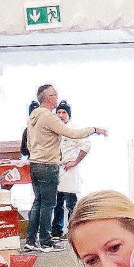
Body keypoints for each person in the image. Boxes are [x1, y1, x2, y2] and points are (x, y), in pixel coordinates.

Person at [25, 84, 106, 252]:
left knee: (38, 202)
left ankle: (31, 240)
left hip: (35, 164)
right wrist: (94, 129)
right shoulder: (48, 117)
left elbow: (28, 142)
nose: (57, 97)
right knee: (48, 204)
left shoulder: (33, 115)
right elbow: (72, 134)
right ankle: (46, 242)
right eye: (54, 94)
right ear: (48, 98)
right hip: (48, 165)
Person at [52, 100, 90, 238]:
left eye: (64, 112)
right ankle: (56, 230)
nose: (61, 115)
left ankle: (73, 231)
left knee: (71, 203)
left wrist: (75, 161)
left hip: (70, 170)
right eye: (59, 112)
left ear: (69, 115)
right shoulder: (54, 130)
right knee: (57, 203)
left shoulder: (74, 130)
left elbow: (86, 145)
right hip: (57, 169)